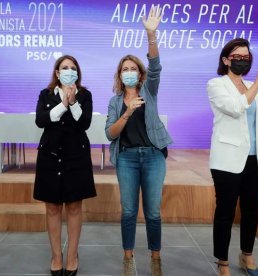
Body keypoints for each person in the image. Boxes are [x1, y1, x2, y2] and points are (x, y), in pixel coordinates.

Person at [207, 38, 258, 276]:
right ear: (225, 60)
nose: (242, 61)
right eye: (237, 57)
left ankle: (247, 255)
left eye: (246, 57)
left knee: (251, 210)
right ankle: (222, 261)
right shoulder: (216, 84)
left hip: (255, 160)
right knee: (226, 211)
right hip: (227, 160)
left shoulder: (255, 85)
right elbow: (235, 107)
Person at [105, 6, 172, 276]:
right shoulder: (114, 101)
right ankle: (128, 257)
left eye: (133, 68)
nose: (129, 72)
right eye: (125, 69)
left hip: (154, 156)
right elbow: (110, 133)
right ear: (119, 75)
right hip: (127, 158)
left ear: (139, 73)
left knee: (153, 212)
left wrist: (151, 35)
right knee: (129, 211)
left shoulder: (149, 90)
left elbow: (155, 66)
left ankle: (155, 258)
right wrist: (129, 110)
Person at [33, 54, 96, 276]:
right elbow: (41, 120)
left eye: (72, 68)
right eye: (64, 67)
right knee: (52, 207)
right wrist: (63, 104)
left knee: (74, 207)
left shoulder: (85, 95)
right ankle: (56, 256)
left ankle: (72, 255)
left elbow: (84, 123)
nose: (69, 71)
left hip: (75, 156)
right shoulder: (46, 94)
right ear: (57, 73)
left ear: (77, 73)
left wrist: (73, 102)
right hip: (50, 155)